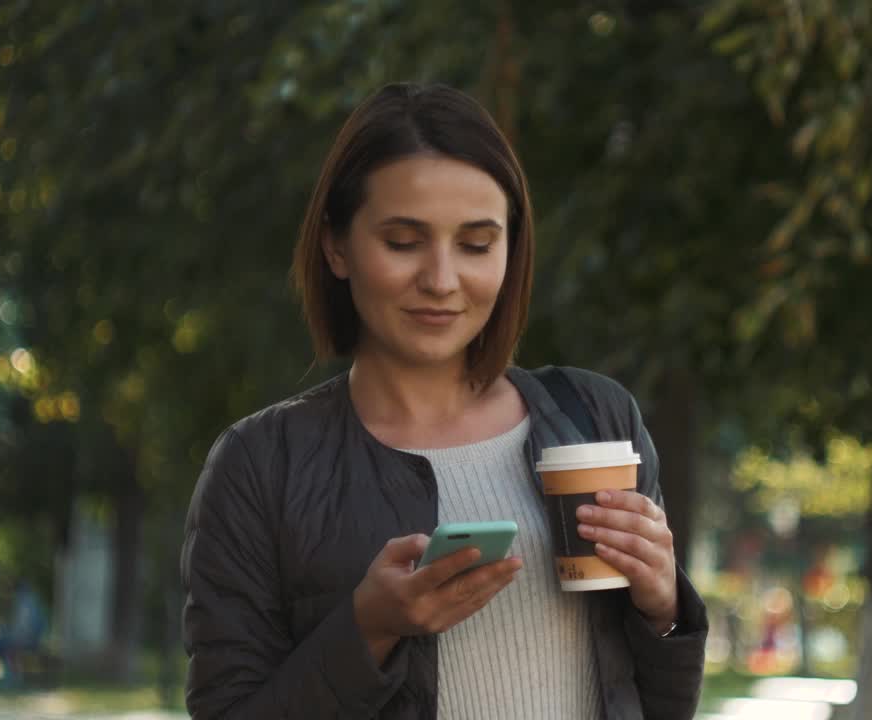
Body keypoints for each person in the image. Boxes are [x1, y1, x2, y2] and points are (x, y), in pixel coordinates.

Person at [181, 82, 707, 719]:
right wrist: (369, 628)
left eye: (477, 244)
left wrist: (665, 608)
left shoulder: (594, 416)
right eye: (403, 242)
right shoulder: (259, 466)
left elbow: (660, 706)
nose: (441, 279)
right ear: (336, 246)